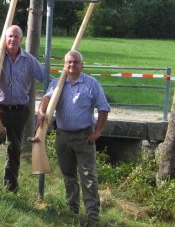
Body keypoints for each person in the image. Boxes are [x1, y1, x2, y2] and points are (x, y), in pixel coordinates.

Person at [36, 50, 110, 224]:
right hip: (62, 136)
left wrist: (97, 132)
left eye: (75, 62)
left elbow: (103, 108)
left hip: (84, 137)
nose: (71, 65)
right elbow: (46, 99)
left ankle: (92, 215)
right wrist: (41, 111)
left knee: (88, 176)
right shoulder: (57, 83)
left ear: (81, 65)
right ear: (64, 65)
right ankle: (72, 210)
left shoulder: (91, 84)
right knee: (68, 175)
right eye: (69, 62)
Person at [0, 25, 44, 192]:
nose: (13, 40)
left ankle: (10, 186)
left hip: (19, 110)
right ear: (5, 38)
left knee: (14, 148)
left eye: (16, 37)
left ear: (21, 39)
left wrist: (64, 81)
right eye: (10, 36)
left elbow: (46, 78)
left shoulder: (29, 60)